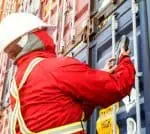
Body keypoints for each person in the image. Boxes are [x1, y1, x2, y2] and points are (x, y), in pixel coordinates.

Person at [0, 13, 135, 134]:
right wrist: (125, 60)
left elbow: (68, 113)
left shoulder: (16, 86)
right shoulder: (56, 68)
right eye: (43, 31)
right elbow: (116, 87)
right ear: (29, 38)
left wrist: (100, 76)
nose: (48, 35)